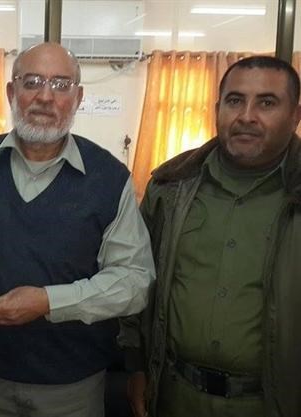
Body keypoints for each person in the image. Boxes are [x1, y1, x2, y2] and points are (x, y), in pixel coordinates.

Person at [0, 42, 155, 417]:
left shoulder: (109, 178)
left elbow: (135, 281)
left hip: (72, 385)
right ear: (12, 92)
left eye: (60, 84)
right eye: (32, 82)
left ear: (78, 97)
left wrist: (49, 301)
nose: (45, 96)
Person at [123, 55, 301, 417]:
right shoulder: (171, 187)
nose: (247, 116)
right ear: (218, 108)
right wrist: (135, 365)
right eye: (235, 100)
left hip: (271, 403)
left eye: (267, 103)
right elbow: (136, 278)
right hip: (174, 395)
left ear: (295, 116)